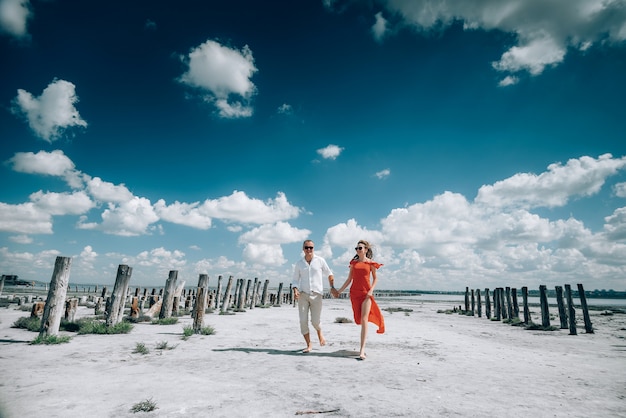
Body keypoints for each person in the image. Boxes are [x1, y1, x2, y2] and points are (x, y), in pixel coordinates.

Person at [334, 239, 385, 360]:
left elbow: (375, 278)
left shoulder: (371, 264)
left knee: (364, 319)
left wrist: (371, 290)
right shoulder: (354, 263)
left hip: (366, 294)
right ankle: (361, 348)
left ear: (366, 250)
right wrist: (339, 291)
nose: (358, 250)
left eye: (360, 248)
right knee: (359, 320)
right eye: (356, 248)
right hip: (354, 293)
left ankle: (362, 350)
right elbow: (349, 279)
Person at [292, 239, 335, 353]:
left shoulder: (320, 261)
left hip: (317, 295)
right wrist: (295, 289)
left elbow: (329, 273)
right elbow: (295, 280)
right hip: (303, 295)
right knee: (303, 321)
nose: (309, 250)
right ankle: (309, 344)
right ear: (303, 249)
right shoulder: (299, 263)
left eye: (311, 247)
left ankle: (320, 333)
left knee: (315, 321)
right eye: (306, 247)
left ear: (314, 248)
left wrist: (332, 285)